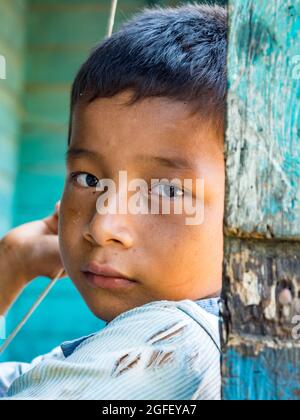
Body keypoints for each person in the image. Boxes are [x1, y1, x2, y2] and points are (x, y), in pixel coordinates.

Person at [0, 3, 226, 400]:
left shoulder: (170, 347)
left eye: (167, 191)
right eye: (89, 179)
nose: (103, 226)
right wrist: (13, 260)